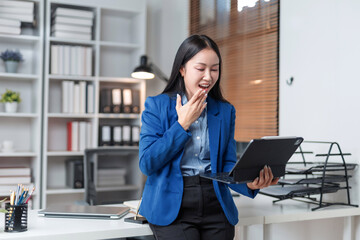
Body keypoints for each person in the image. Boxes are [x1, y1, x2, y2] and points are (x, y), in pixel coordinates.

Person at [138, 34, 279, 240]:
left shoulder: (224, 110)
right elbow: (147, 163)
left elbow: (227, 165)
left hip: (215, 202)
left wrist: (249, 183)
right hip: (172, 207)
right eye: (201, 68)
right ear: (182, 69)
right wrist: (182, 124)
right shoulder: (156, 106)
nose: (209, 76)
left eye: (214, 69)